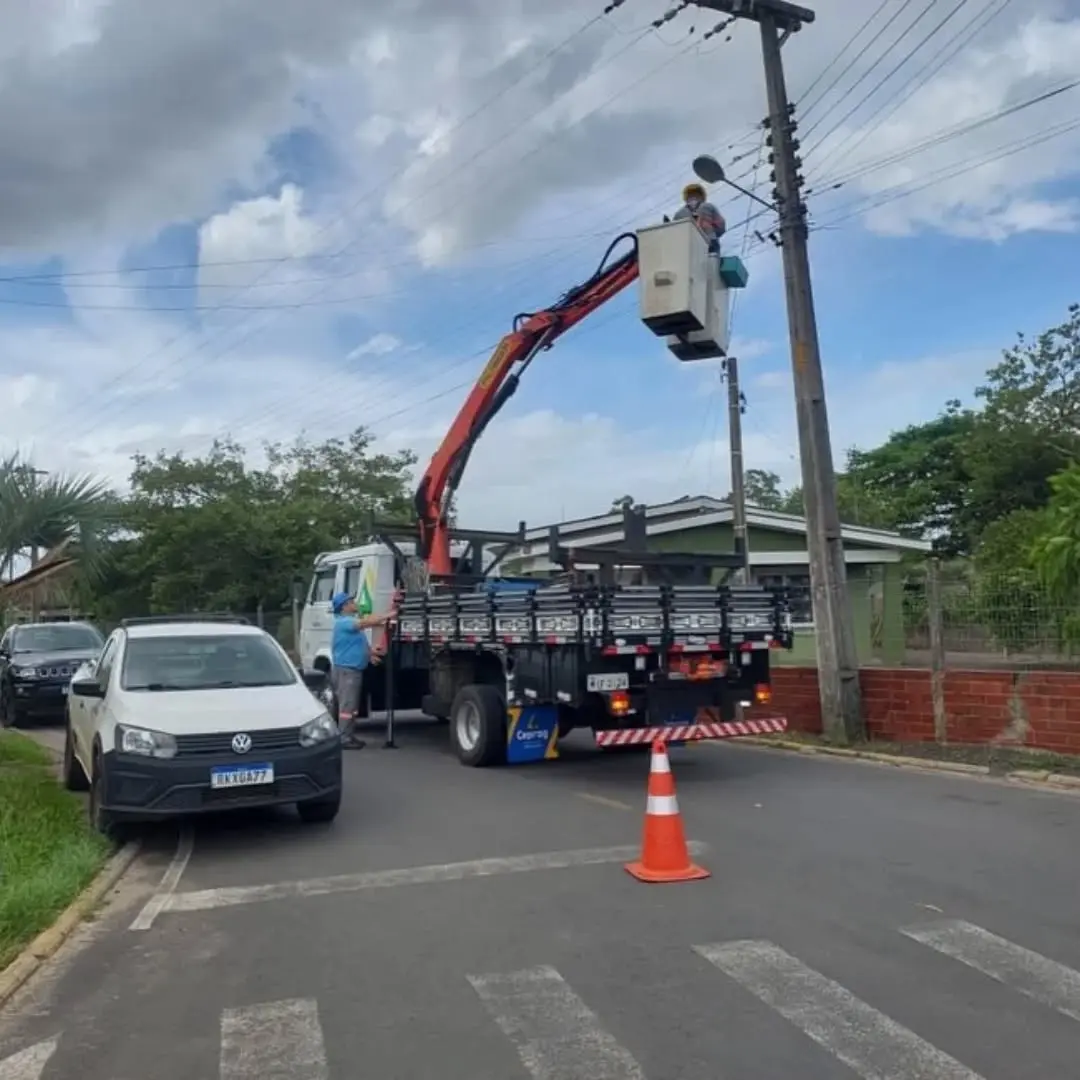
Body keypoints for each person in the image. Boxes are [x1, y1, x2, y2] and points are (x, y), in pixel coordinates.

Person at [330, 590, 397, 749]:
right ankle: (344, 738)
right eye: (351, 602)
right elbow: (366, 623)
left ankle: (349, 735)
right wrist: (390, 615)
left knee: (352, 706)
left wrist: (370, 654)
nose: (355, 604)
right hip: (347, 670)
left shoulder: (348, 622)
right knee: (347, 706)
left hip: (352, 669)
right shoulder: (344, 622)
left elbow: (357, 644)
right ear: (344, 606)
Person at [674, 181, 726, 253]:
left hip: (709, 244)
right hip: (689, 247)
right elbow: (674, 231)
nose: (693, 198)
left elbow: (721, 227)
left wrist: (712, 232)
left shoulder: (708, 207)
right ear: (686, 198)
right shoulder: (680, 214)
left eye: (696, 195)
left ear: (702, 197)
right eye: (691, 196)